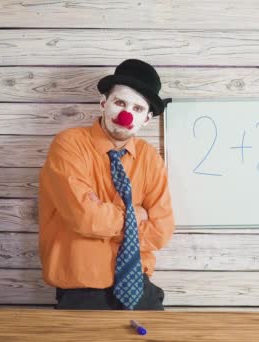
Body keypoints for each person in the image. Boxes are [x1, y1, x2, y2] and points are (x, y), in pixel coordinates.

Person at [38, 59, 175, 310]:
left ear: (146, 119)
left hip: (141, 291)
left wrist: (103, 220)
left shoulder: (150, 158)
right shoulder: (69, 145)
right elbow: (84, 217)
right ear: (104, 103)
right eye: (120, 103)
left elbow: (162, 230)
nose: (126, 115)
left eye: (137, 108)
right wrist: (136, 215)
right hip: (82, 294)